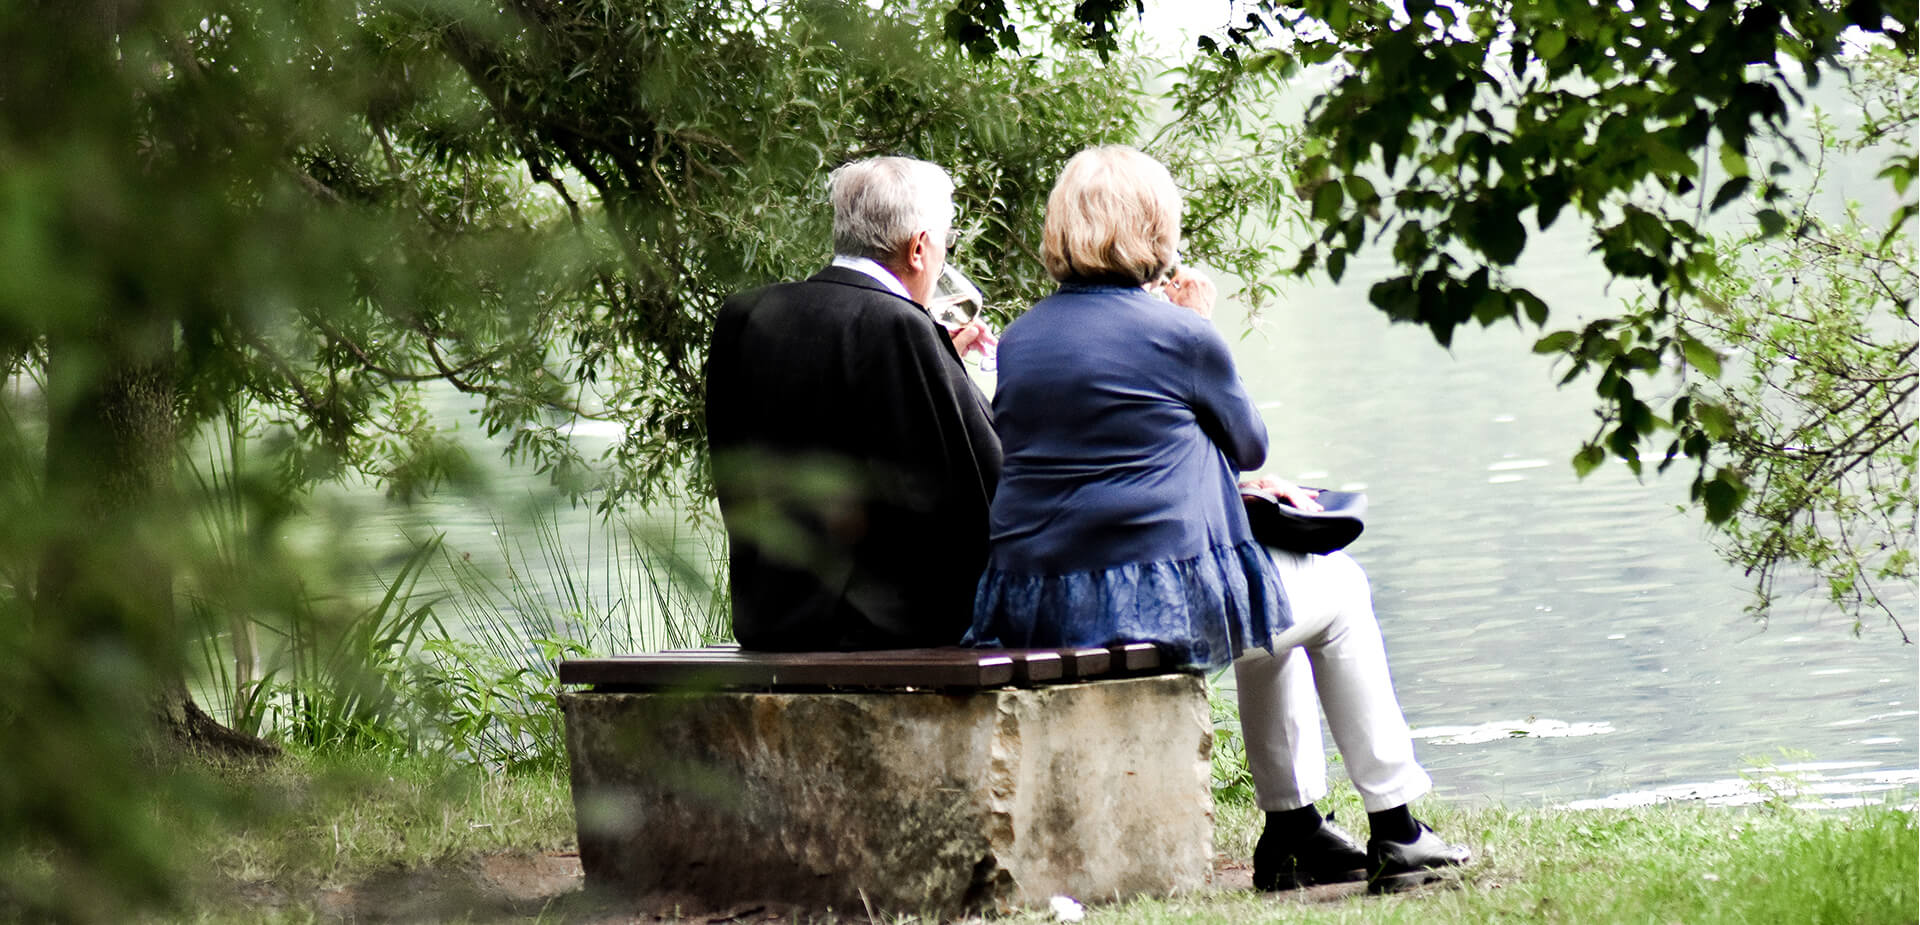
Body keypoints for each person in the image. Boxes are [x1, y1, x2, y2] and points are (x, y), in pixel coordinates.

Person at [965, 144, 1469, 893]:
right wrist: (1200, 324)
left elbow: (1110, 446)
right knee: (1340, 590)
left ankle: (1295, 830)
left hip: (1038, 600)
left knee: (1275, 609)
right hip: (1146, 605)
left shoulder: (1023, 338)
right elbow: (1249, 442)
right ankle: (1397, 825)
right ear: (1153, 228)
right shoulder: (1181, 334)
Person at [705, 156, 1000, 651]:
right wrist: (960, 376)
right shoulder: (900, 327)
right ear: (919, 248)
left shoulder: (744, 316)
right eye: (946, 243)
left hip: (769, 620)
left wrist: (939, 359)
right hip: (883, 632)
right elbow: (979, 484)